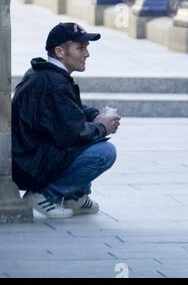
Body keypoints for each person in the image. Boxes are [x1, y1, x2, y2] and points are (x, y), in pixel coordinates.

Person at [12, 20, 120, 220]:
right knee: (104, 152)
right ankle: (44, 195)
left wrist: (94, 117)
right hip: (30, 163)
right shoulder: (53, 82)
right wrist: (102, 128)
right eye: (80, 48)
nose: (86, 53)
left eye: (86, 47)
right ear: (60, 52)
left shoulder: (49, 75)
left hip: (34, 156)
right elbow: (72, 133)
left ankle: (75, 196)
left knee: (93, 137)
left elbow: (71, 112)